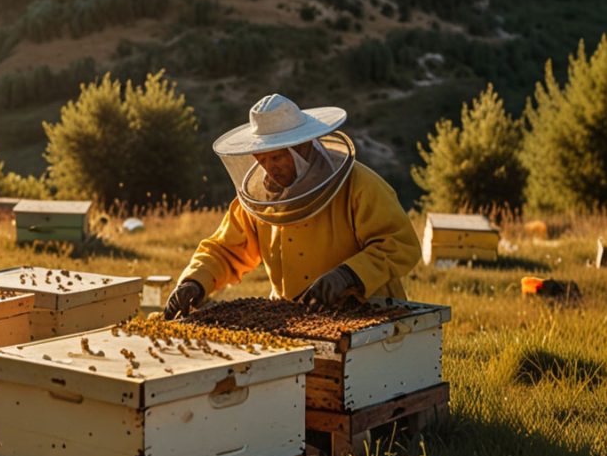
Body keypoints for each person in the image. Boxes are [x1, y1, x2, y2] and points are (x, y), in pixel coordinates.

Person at [164, 94, 421, 319]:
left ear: (302, 147)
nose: (269, 168)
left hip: (370, 312)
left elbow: (399, 244)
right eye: (262, 159)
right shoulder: (261, 199)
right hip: (293, 315)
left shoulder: (359, 185)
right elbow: (225, 250)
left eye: (276, 157)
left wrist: (349, 275)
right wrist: (195, 281)